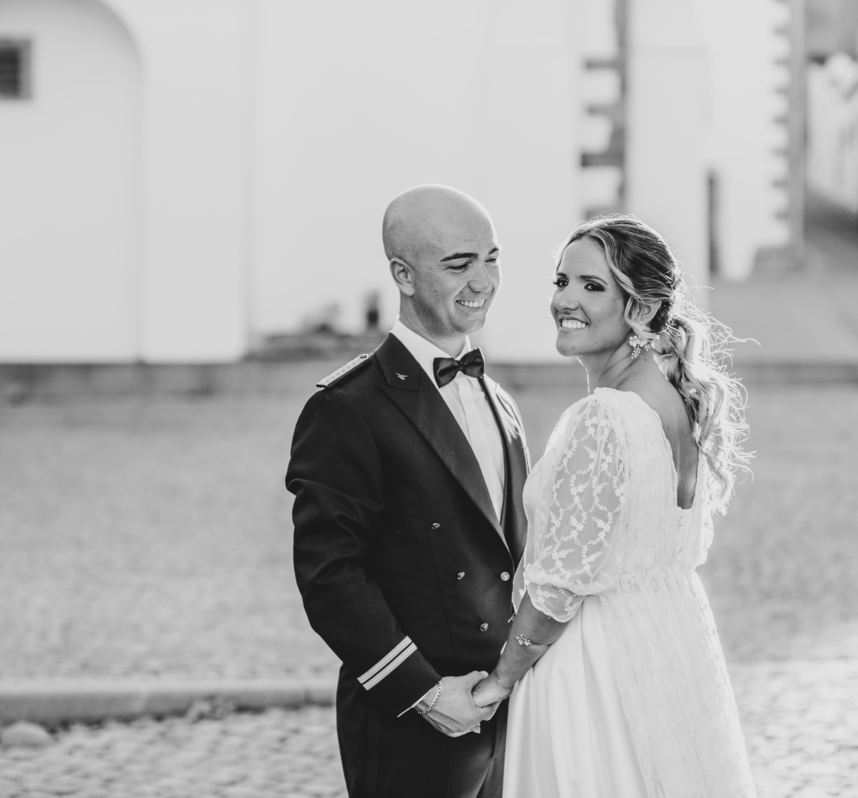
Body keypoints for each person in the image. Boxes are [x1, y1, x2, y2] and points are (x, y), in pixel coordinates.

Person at [471, 215, 758, 796]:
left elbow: (558, 586)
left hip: (592, 670)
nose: (565, 300)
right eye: (561, 281)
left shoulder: (606, 416)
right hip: (664, 652)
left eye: (592, 286)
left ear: (644, 309)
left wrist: (499, 682)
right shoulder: (675, 403)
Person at [286, 185, 530, 798]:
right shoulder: (348, 408)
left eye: (491, 258)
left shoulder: (501, 404)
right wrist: (423, 693)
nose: (483, 280)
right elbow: (329, 575)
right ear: (404, 274)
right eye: (458, 264)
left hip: (505, 717)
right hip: (412, 722)